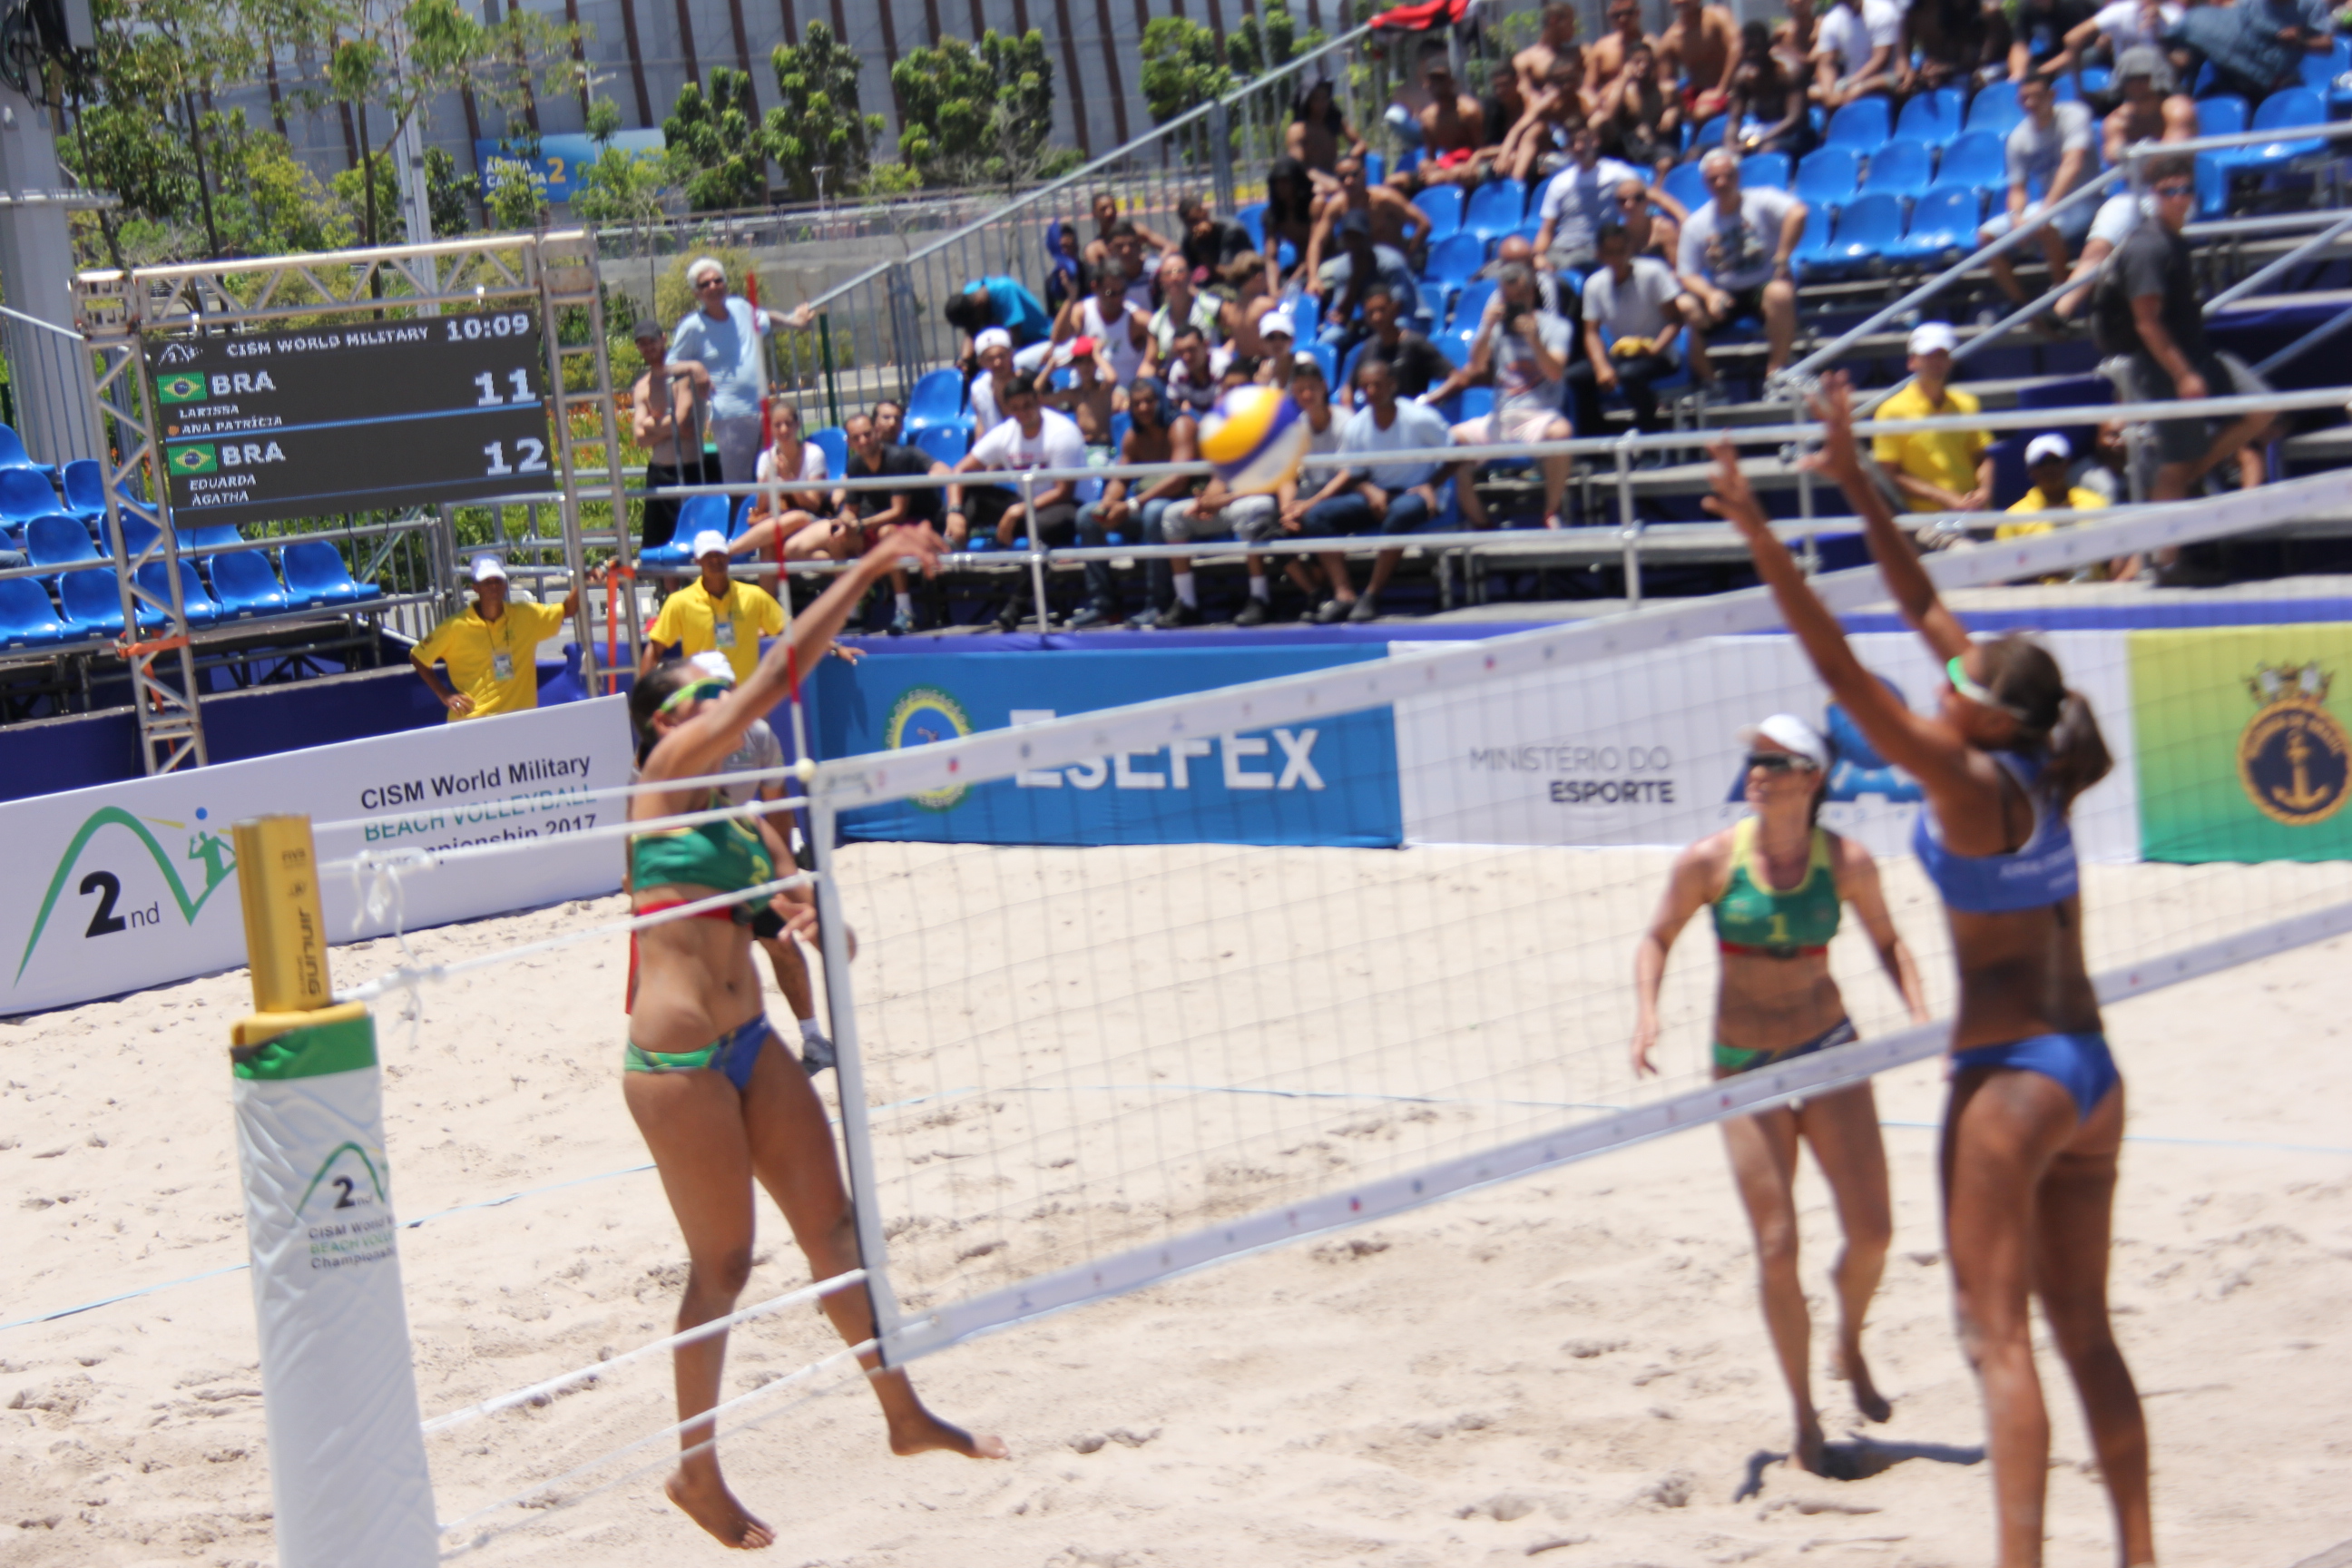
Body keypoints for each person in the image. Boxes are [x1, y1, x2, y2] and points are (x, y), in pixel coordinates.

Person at [1717, 372, 2152, 1568]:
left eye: (1961, 679)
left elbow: (1845, 676)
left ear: (1989, 715)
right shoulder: (2035, 753)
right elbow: (1919, 603)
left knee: (1995, 1342)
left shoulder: (1965, 782)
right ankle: (2140, 1554)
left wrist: (1761, 536)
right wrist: (1852, 475)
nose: (1945, 674)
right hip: (2093, 1070)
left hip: (2012, 1080)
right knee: (2085, 1335)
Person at [623, 522, 1004, 1549]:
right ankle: (696, 1470)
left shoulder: (738, 816)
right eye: (705, 691)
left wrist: (810, 917)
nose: (723, 701)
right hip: (676, 1064)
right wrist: (868, 568)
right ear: (667, 719)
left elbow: (806, 916)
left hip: (750, 1044)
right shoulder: (662, 777)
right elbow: (774, 678)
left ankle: (903, 1412)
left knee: (833, 1234)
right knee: (723, 1267)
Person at [1632, 710, 1927, 1475]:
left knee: (1872, 1233)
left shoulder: (1848, 861)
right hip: (1745, 1066)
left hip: (1828, 1051)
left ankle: (1848, 1343)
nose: (1756, 772)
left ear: (1812, 777)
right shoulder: (1709, 860)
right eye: (1753, 760)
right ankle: (1803, 1418)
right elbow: (1657, 936)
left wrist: (1921, 1016)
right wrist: (1647, 1014)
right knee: (1775, 1245)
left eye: (1773, 760)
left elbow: (1889, 941)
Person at [2092, 157, 2279, 575]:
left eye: (2186, 189)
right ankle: (2165, 563)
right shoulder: (2148, 247)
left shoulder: (2175, 240)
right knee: (2174, 468)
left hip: (2200, 356)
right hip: (2165, 369)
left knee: (2263, 408)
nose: (2181, 198)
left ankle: (2194, 474)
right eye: (2170, 191)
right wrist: (2182, 374)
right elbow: (2146, 322)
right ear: (2153, 196)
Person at [731, 410, 942, 634]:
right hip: (864, 525)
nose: (863, 441)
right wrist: (844, 522)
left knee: (887, 533)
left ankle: (904, 610)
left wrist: (858, 524)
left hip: (908, 525)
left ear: (876, 433)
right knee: (833, 536)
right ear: (849, 442)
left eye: (867, 434)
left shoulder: (899, 458)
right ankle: (854, 604)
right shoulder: (855, 464)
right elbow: (850, 511)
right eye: (857, 437)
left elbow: (898, 513)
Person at [1300, 355, 1455, 622]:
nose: (1371, 391)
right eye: (1366, 386)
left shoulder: (1420, 418)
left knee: (1401, 513)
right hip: (1378, 495)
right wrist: (1369, 490)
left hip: (1417, 494)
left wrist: (1431, 485)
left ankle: (1372, 595)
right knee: (1316, 517)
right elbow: (1353, 474)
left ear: (1392, 385)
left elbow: (1458, 454)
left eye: (1377, 385)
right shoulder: (1356, 426)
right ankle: (1344, 596)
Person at [1432, 261, 1575, 531]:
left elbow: (1555, 372)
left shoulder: (1557, 327)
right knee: (1451, 440)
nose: (1513, 304)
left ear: (1530, 294)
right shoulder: (1496, 328)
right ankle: (1481, 522)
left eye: (1518, 297)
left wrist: (1534, 341)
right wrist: (1486, 329)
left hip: (1539, 416)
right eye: (1507, 298)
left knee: (1562, 433)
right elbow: (1476, 365)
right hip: (1500, 418)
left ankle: (1551, 510)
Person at [946, 372, 1086, 629]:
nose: (1022, 413)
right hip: (1028, 506)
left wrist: (1016, 512)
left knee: (1040, 527)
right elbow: (959, 471)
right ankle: (948, 561)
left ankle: (1015, 609)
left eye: (1027, 405)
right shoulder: (1005, 432)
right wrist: (954, 512)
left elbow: (1064, 492)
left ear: (1038, 400)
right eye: (1015, 408)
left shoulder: (1062, 432)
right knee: (973, 495)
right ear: (1008, 409)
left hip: (1070, 508)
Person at [1676, 150, 1808, 391]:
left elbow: (1798, 213)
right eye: (1714, 179)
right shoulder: (1696, 224)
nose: (1721, 183)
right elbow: (1687, 274)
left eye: (1727, 176)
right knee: (1684, 306)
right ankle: (1711, 384)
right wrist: (1709, 294)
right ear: (1705, 183)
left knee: (1779, 293)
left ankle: (1775, 374)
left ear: (1738, 176)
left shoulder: (1761, 199)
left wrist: (1782, 256)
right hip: (1725, 293)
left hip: (1763, 285)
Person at [410, 554, 588, 720]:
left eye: (498, 580)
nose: (493, 586)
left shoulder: (526, 615)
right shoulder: (455, 626)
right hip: (473, 723)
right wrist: (444, 695)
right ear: (475, 587)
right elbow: (418, 656)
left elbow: (567, 609)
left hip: (520, 721)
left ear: (505, 585)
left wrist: (584, 579)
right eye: (487, 582)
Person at [1071, 377, 1181, 628]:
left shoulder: (1180, 426)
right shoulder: (1133, 435)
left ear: (1161, 401)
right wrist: (1108, 504)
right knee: (1089, 515)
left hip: (1181, 509)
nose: (1143, 408)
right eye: (1137, 403)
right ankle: (1103, 606)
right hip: (1143, 506)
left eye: (1149, 401)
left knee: (1154, 511)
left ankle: (1158, 604)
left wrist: (1131, 505)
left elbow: (1179, 479)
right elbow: (1120, 479)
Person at [1981, 74, 2098, 311]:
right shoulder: (2018, 137)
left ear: (2051, 95)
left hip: (2086, 198)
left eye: (2037, 96)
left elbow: (2072, 164)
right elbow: (2017, 188)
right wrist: (2016, 217)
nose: (2031, 103)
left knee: (2044, 225)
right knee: (1986, 236)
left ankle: (2061, 294)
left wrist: (2046, 211)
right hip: (2050, 203)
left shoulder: (2074, 115)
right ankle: (2021, 304)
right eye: (2025, 98)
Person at [1569, 222, 1685, 437]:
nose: (1617, 259)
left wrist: (1655, 348)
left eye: (1621, 251)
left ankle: (1650, 431)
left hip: (1659, 353)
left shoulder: (1653, 273)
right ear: (1599, 255)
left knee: (1629, 374)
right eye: (1610, 253)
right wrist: (1601, 366)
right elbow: (1591, 332)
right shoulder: (1594, 284)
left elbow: (1676, 320)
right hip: (1622, 354)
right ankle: (1596, 434)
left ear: (1629, 249)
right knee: (1574, 376)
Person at [669, 259, 775, 487]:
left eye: (718, 281)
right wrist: (695, 367)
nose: (713, 286)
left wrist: (795, 320)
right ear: (696, 293)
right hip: (730, 416)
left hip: (764, 409)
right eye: (705, 284)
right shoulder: (692, 326)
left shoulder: (740, 307)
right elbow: (669, 364)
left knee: (773, 481)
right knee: (739, 487)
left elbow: (766, 318)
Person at [1870, 321, 1994, 515]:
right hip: (1927, 519)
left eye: (1941, 354)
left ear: (1950, 361)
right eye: (1928, 355)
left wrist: (1984, 490)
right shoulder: (1891, 411)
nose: (1936, 361)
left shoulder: (1967, 403)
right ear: (1912, 362)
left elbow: (1982, 457)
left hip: (1972, 513)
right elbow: (1889, 474)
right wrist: (1944, 497)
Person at [642, 531, 787, 681]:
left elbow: (789, 631)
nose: (715, 560)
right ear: (698, 560)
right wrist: (645, 692)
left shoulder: (754, 596)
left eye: (720, 554)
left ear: (728, 557)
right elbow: (654, 649)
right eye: (708, 555)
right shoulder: (679, 602)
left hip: (745, 693)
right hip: (702, 691)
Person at [631, 320, 714, 556]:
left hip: (690, 469)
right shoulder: (642, 387)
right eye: (642, 344)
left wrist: (652, 425)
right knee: (658, 548)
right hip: (659, 474)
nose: (648, 347)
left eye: (652, 341)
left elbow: (683, 422)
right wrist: (669, 428)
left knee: (696, 545)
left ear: (663, 339)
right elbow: (640, 437)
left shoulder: (683, 378)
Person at [2164, 0, 2333, 103]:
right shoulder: (2249, 4)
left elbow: (2327, 45)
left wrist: (2300, 41)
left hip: (2280, 82)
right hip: (2234, 79)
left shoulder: (2311, 4)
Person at [1532, 124, 1645, 273]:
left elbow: (1646, 196)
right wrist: (1538, 256)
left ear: (1595, 141)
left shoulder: (1616, 173)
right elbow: (1547, 229)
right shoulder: (1559, 182)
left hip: (1592, 249)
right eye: (1572, 143)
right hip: (1560, 248)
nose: (1578, 147)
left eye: (1583, 141)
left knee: (1571, 268)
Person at [1307, 155, 1433, 279]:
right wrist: (1313, 279)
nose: (1348, 181)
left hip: (1391, 263)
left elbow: (1424, 224)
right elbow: (1317, 242)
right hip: (1359, 265)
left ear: (1364, 174)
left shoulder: (1385, 199)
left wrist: (1408, 255)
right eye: (1342, 177)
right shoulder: (1338, 205)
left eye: (1354, 175)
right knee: (1324, 274)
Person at [1313, 210, 1420, 349]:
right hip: (1369, 320)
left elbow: (1397, 307)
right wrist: (1355, 279)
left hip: (1408, 317)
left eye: (1358, 237)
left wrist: (1364, 323)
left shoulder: (1390, 262)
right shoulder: (1342, 267)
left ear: (1369, 237)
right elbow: (1342, 315)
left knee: (1398, 326)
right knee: (1330, 337)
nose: (1354, 243)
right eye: (1349, 238)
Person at [1338, 285, 1453, 408]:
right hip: (1379, 417)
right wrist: (1349, 413)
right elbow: (1349, 387)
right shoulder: (1369, 348)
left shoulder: (1415, 343)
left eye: (1382, 310)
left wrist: (1426, 400)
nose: (1377, 317)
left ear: (1395, 309)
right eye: (1371, 313)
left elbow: (1457, 378)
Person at [1724, 20, 1817, 159]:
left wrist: (1754, 142)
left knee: (1766, 150)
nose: (1751, 54)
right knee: (1696, 152)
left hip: (1796, 135)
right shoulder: (1743, 77)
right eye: (1747, 49)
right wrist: (1730, 144)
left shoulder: (1789, 72)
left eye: (1756, 48)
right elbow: (1734, 119)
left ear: (1768, 46)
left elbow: (1795, 119)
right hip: (1761, 132)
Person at [1056, 259, 1152, 387]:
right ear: (1094, 287)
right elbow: (1059, 339)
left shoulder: (1137, 320)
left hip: (1122, 391)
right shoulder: (1082, 312)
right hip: (1084, 391)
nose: (1117, 299)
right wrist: (1071, 297)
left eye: (1122, 292)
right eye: (1110, 293)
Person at [2000, 433, 2110, 540]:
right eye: (2041, 463)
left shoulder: (2096, 504)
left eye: (2055, 461)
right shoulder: (2012, 518)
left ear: (2067, 464)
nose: (2049, 468)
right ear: (2030, 471)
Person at [1594, 40, 1681, 173]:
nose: (1643, 66)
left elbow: (1688, 116)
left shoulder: (1666, 91)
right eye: (1637, 61)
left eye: (1648, 61)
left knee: (1666, 161)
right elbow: (1607, 116)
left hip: (1655, 144)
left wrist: (1674, 110)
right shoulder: (1616, 90)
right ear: (1627, 64)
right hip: (1625, 145)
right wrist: (1624, 78)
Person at [1659, 0, 1742, 121]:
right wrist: (1671, 107)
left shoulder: (1717, 16)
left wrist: (1721, 89)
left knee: (1702, 113)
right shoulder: (1670, 40)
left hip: (1729, 89)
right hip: (1696, 95)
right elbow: (1666, 82)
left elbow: (1737, 47)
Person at [1417, 58, 1497, 183]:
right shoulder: (1426, 117)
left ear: (1451, 82)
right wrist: (1426, 165)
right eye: (1432, 80)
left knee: (1436, 179)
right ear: (1425, 84)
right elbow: (1431, 156)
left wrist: (1469, 166)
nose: (1437, 84)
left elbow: (1482, 149)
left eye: (1441, 79)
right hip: (1446, 165)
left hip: (1471, 164)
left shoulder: (1469, 111)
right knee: (1397, 180)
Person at [1813, 0, 1905, 107]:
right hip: (1850, 81)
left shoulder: (1882, 11)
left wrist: (1850, 84)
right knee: (1812, 92)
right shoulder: (1832, 19)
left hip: (1885, 76)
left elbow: (1881, 59)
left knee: (1857, 90)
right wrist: (1829, 94)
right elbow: (1826, 64)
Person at [942, 274, 1054, 360]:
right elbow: (970, 335)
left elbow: (1014, 341)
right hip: (1014, 345)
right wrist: (965, 361)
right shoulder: (969, 295)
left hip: (1041, 341)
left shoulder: (1004, 290)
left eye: (974, 321)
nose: (975, 325)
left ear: (978, 306)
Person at [1903, 0, 2005, 93]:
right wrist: (1931, 69)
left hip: (1995, 70)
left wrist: (1946, 69)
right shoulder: (1950, 13)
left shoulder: (1989, 12)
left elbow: (1983, 59)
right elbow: (1957, 54)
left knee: (1976, 79)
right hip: (1962, 70)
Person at [1145, 250, 1223, 367]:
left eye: (1180, 272)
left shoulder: (1210, 306)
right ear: (1161, 280)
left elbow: (1239, 326)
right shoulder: (1157, 321)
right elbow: (1150, 363)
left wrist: (1223, 355)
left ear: (1190, 276)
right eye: (1168, 274)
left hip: (1212, 372)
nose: (1174, 278)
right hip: (1176, 376)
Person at [1287, 78, 1367, 183]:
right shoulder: (1297, 130)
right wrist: (1327, 182)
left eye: (1325, 98)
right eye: (1316, 99)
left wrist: (1348, 159)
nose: (1322, 104)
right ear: (1307, 102)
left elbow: (1360, 143)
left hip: (1338, 176)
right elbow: (1299, 168)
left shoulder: (1334, 122)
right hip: (1312, 182)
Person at [1080, 190, 1175, 272]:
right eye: (1103, 209)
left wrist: (1155, 265)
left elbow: (1171, 247)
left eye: (1113, 207)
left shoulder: (1136, 231)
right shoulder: (1095, 249)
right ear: (1094, 213)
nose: (1110, 212)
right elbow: (1097, 277)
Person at [2009, 0, 2102, 83]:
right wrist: (2018, 74)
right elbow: (2020, 45)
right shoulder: (2026, 6)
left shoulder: (2070, 5)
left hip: (2085, 49)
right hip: (2055, 53)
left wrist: (2040, 72)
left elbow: (2075, 50)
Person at [1177, 194, 1258, 284]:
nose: (1194, 227)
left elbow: (1227, 274)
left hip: (1245, 280)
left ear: (1205, 214)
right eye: (1188, 224)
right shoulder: (1190, 237)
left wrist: (1201, 249)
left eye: (1195, 221)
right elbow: (1188, 271)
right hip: (1216, 282)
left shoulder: (1230, 231)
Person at [1514, 2, 1586, 99]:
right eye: (1570, 23)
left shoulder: (1581, 52)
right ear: (1554, 21)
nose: (1574, 28)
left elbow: (1590, 88)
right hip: (1545, 106)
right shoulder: (1526, 59)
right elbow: (1525, 93)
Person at [1263, 156, 1322, 273]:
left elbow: (1316, 247)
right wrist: (1274, 286)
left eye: (1286, 181)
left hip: (1323, 264)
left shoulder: (1315, 206)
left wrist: (1292, 281)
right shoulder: (1273, 214)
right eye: (1277, 182)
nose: (1280, 187)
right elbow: (1271, 258)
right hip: (1299, 266)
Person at [1585, 0, 1655, 93]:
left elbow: (1663, 82)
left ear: (1638, 13)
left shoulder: (1652, 46)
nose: (1622, 19)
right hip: (1609, 99)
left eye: (1628, 13)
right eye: (1616, 15)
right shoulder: (1602, 48)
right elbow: (1587, 89)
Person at [967, 328, 1018, 443]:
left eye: (1002, 356)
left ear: (1011, 355)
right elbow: (981, 425)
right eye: (990, 359)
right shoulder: (979, 389)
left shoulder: (1026, 382)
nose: (997, 363)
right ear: (981, 362)